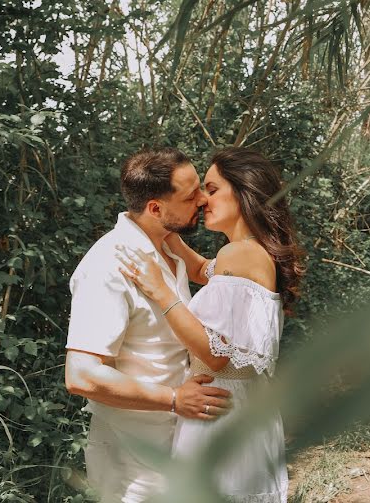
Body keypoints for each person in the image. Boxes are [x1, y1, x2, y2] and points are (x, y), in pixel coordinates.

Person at [118, 147, 305, 503]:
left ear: (244, 191)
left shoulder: (240, 254)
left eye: (212, 188)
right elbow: (200, 269)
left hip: (220, 412)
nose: (203, 200)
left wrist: (160, 291)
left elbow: (214, 353)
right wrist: (165, 229)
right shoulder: (249, 251)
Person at [64, 147, 233, 503]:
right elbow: (81, 375)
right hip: (133, 454)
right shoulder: (109, 265)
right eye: (191, 196)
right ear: (156, 208)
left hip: (179, 442)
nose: (203, 200)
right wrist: (174, 399)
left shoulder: (169, 253)